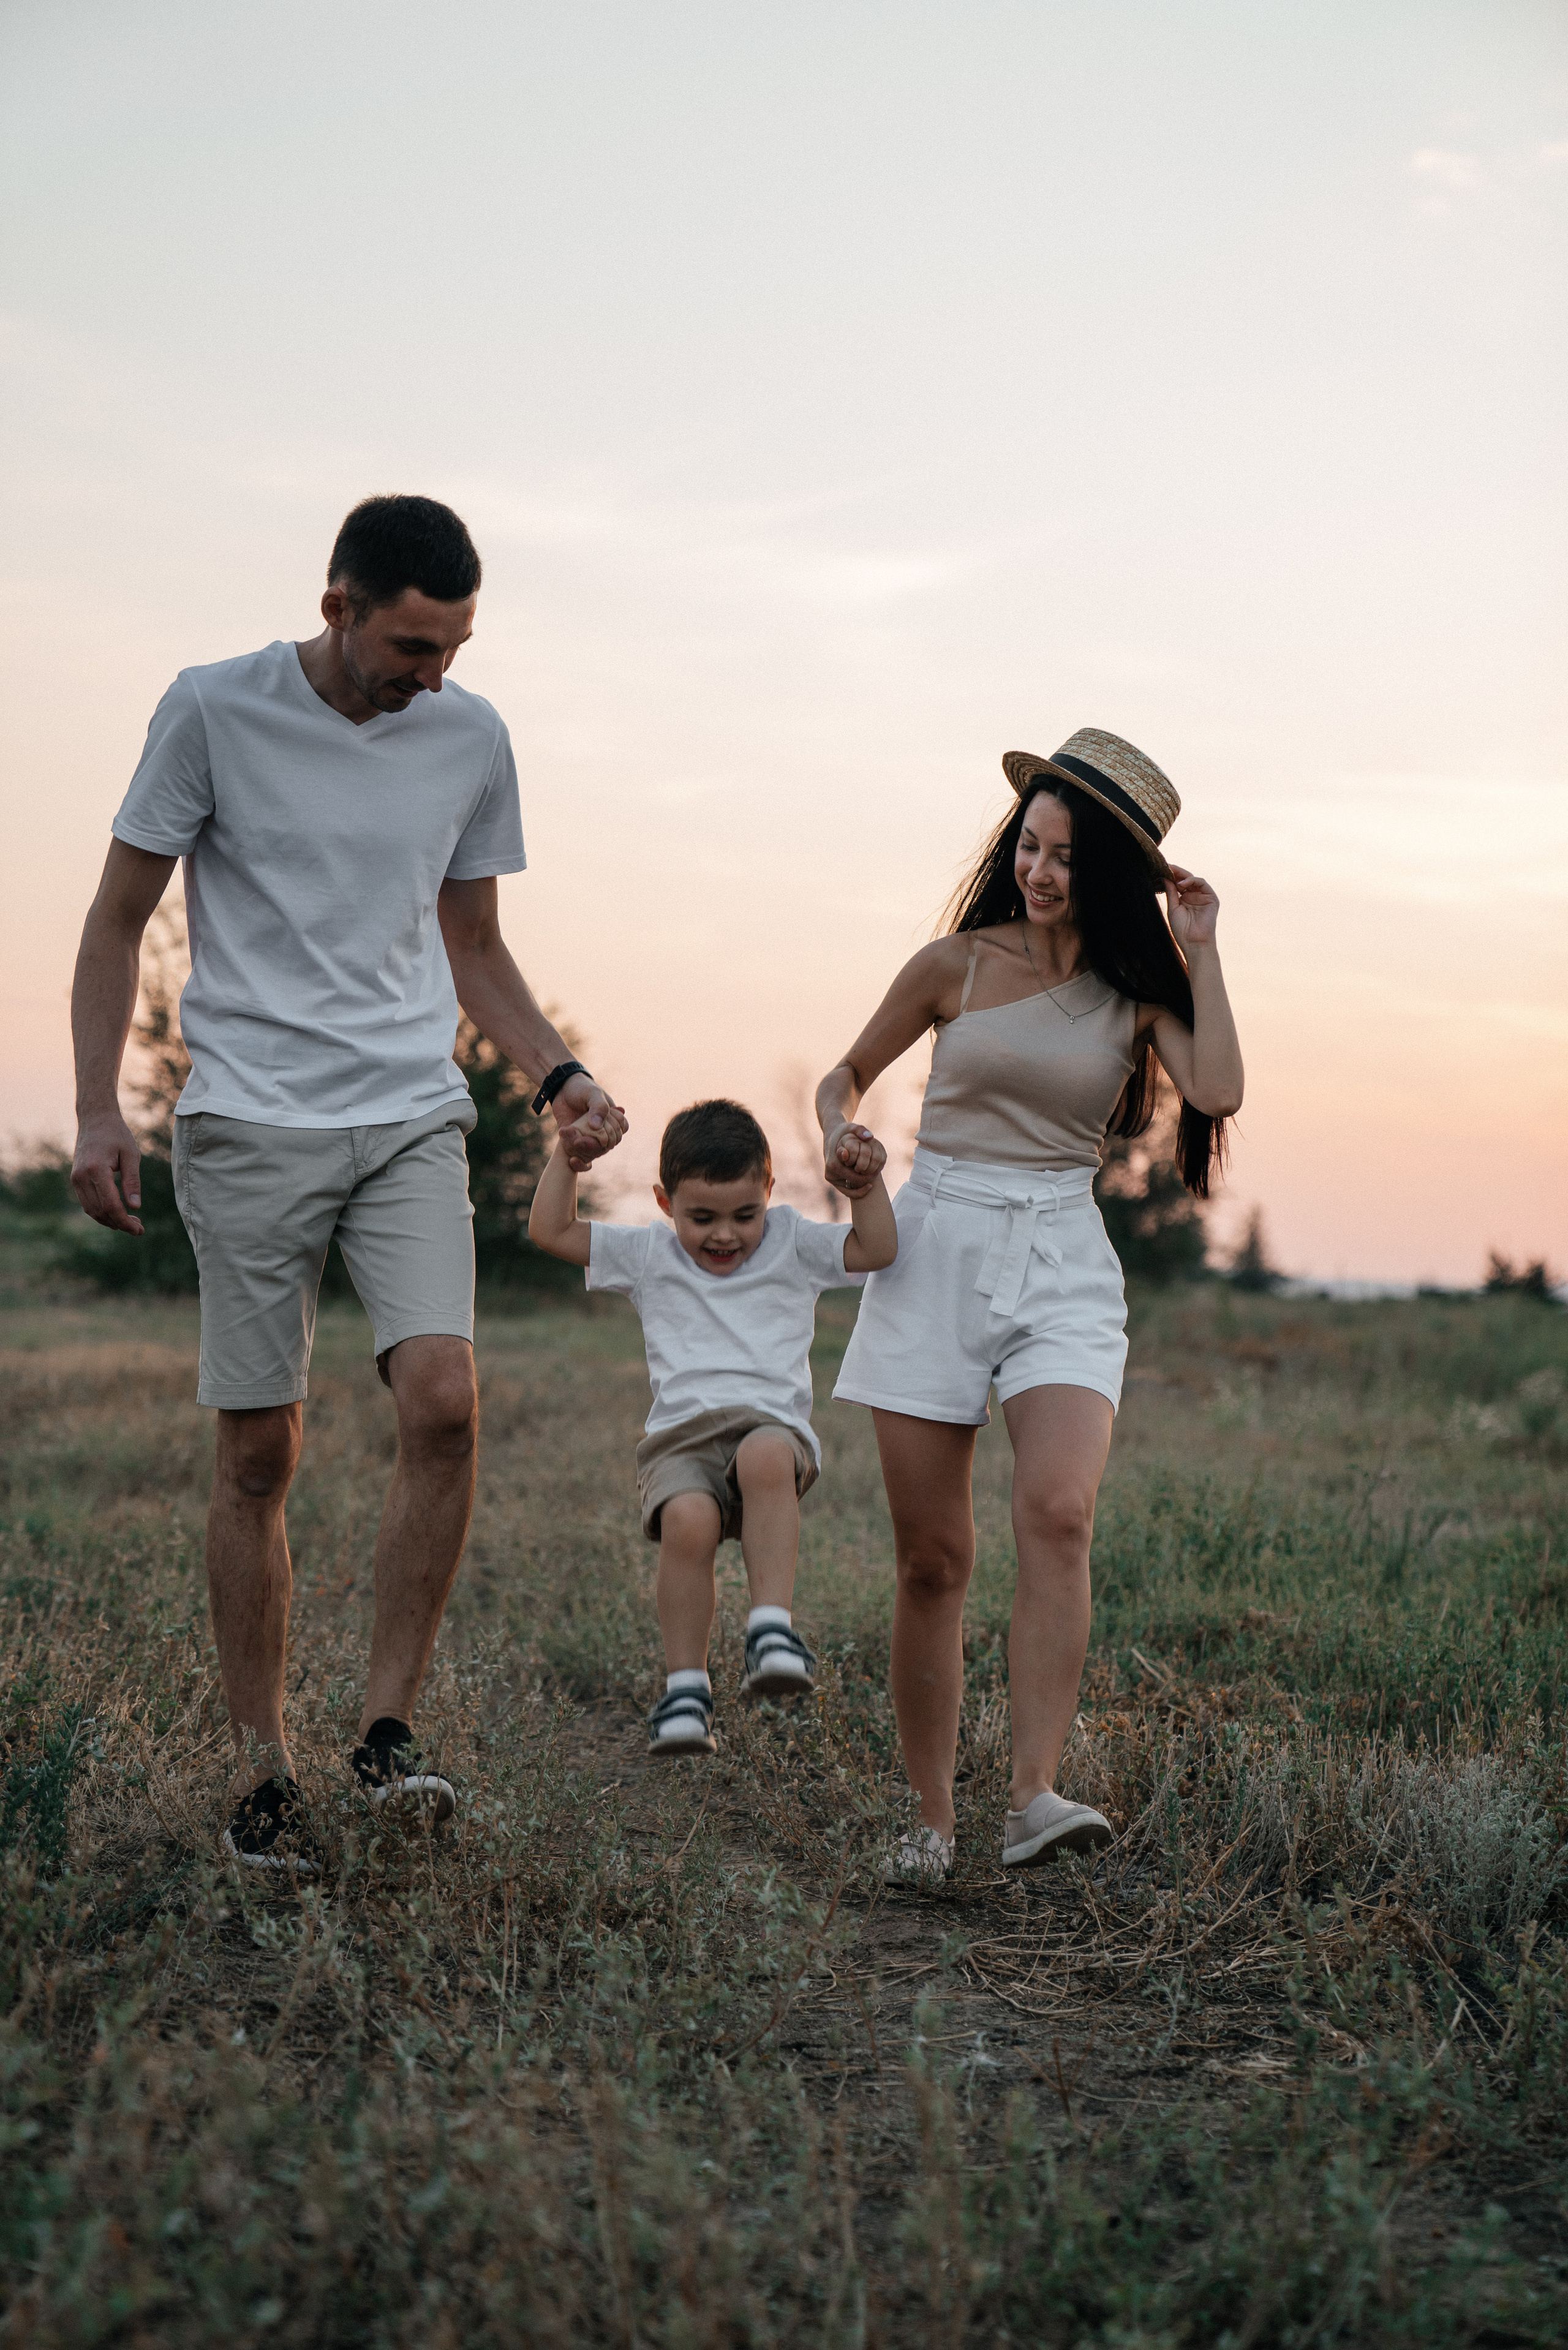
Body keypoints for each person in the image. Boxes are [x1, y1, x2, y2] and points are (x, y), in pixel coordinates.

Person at [69, 494, 628, 1873]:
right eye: (409, 646)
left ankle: (386, 1734)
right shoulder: (212, 710)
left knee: (443, 1400)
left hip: (405, 1113)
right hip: (251, 1120)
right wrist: (97, 1106)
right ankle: (263, 1774)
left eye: (453, 649)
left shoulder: (469, 736)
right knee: (261, 1451)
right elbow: (116, 914)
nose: (430, 675)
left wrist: (559, 1077)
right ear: (336, 607)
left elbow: (477, 945)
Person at [815, 729, 1243, 1882]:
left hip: (1062, 1250)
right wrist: (840, 1139)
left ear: (1105, 872)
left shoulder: (1132, 992)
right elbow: (842, 1073)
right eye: (1030, 847)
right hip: (936, 1241)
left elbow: (1220, 1089)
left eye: (1063, 856)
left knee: (1059, 1511)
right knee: (932, 1562)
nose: (1038, 872)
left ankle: (1032, 1794)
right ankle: (928, 1817)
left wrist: (1200, 950)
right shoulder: (952, 964)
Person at [529, 1098, 896, 1755]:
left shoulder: (792, 1241)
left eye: (743, 1215)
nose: (724, 1235)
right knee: (688, 1522)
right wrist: (567, 1159)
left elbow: (877, 1248)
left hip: (769, 1426)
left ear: (770, 1193)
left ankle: (771, 1630)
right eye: (701, 1218)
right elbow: (552, 1232)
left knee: (762, 1456)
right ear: (665, 1202)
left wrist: (864, 1187)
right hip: (680, 1441)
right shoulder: (648, 1253)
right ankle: (685, 1691)